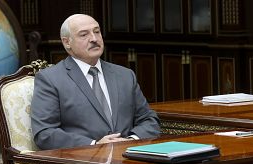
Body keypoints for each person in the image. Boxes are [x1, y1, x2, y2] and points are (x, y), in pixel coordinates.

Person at [31, 14, 160, 150]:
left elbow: (149, 120)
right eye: (84, 35)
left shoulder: (125, 75)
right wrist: (95, 145)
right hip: (85, 162)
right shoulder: (51, 79)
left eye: (97, 32)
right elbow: (44, 133)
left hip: (129, 159)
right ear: (67, 42)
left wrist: (129, 141)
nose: (94, 39)